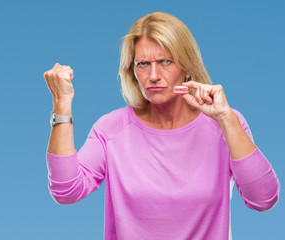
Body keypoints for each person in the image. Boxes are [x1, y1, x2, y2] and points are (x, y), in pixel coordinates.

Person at [43, 12, 280, 240]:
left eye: (165, 62)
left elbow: (263, 199)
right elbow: (66, 191)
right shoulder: (111, 129)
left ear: (186, 65)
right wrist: (62, 104)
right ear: (132, 70)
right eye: (143, 64)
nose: (153, 75)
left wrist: (227, 120)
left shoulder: (225, 124)